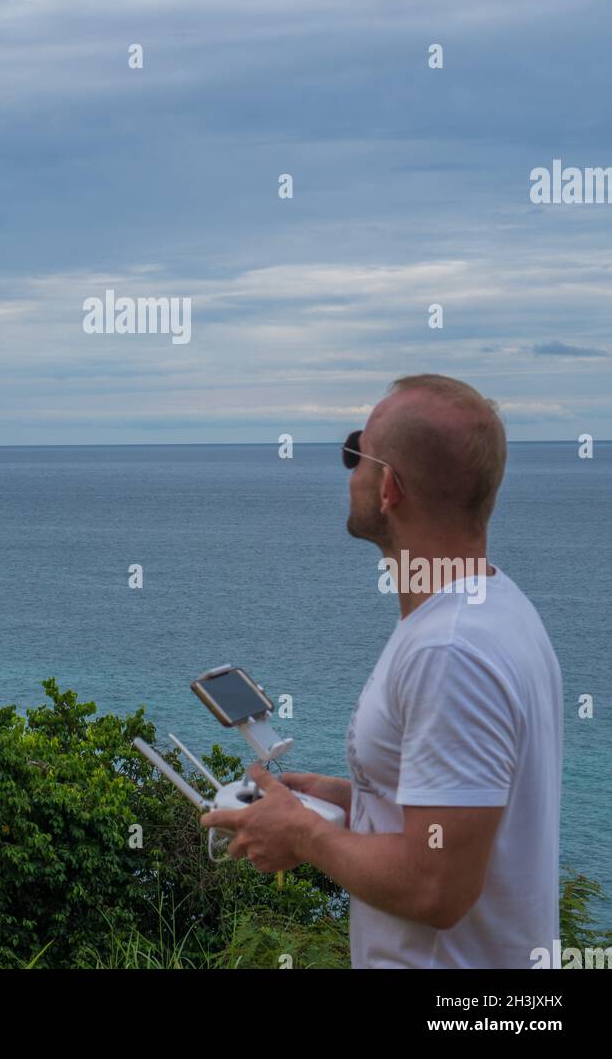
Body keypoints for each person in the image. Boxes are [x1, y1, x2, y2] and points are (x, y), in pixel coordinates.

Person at [202, 373, 563, 969]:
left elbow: (436, 888)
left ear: (389, 486)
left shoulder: (450, 651)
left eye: (355, 452)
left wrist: (303, 836)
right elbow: (455, 820)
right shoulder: (496, 609)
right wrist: (351, 801)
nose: (350, 471)